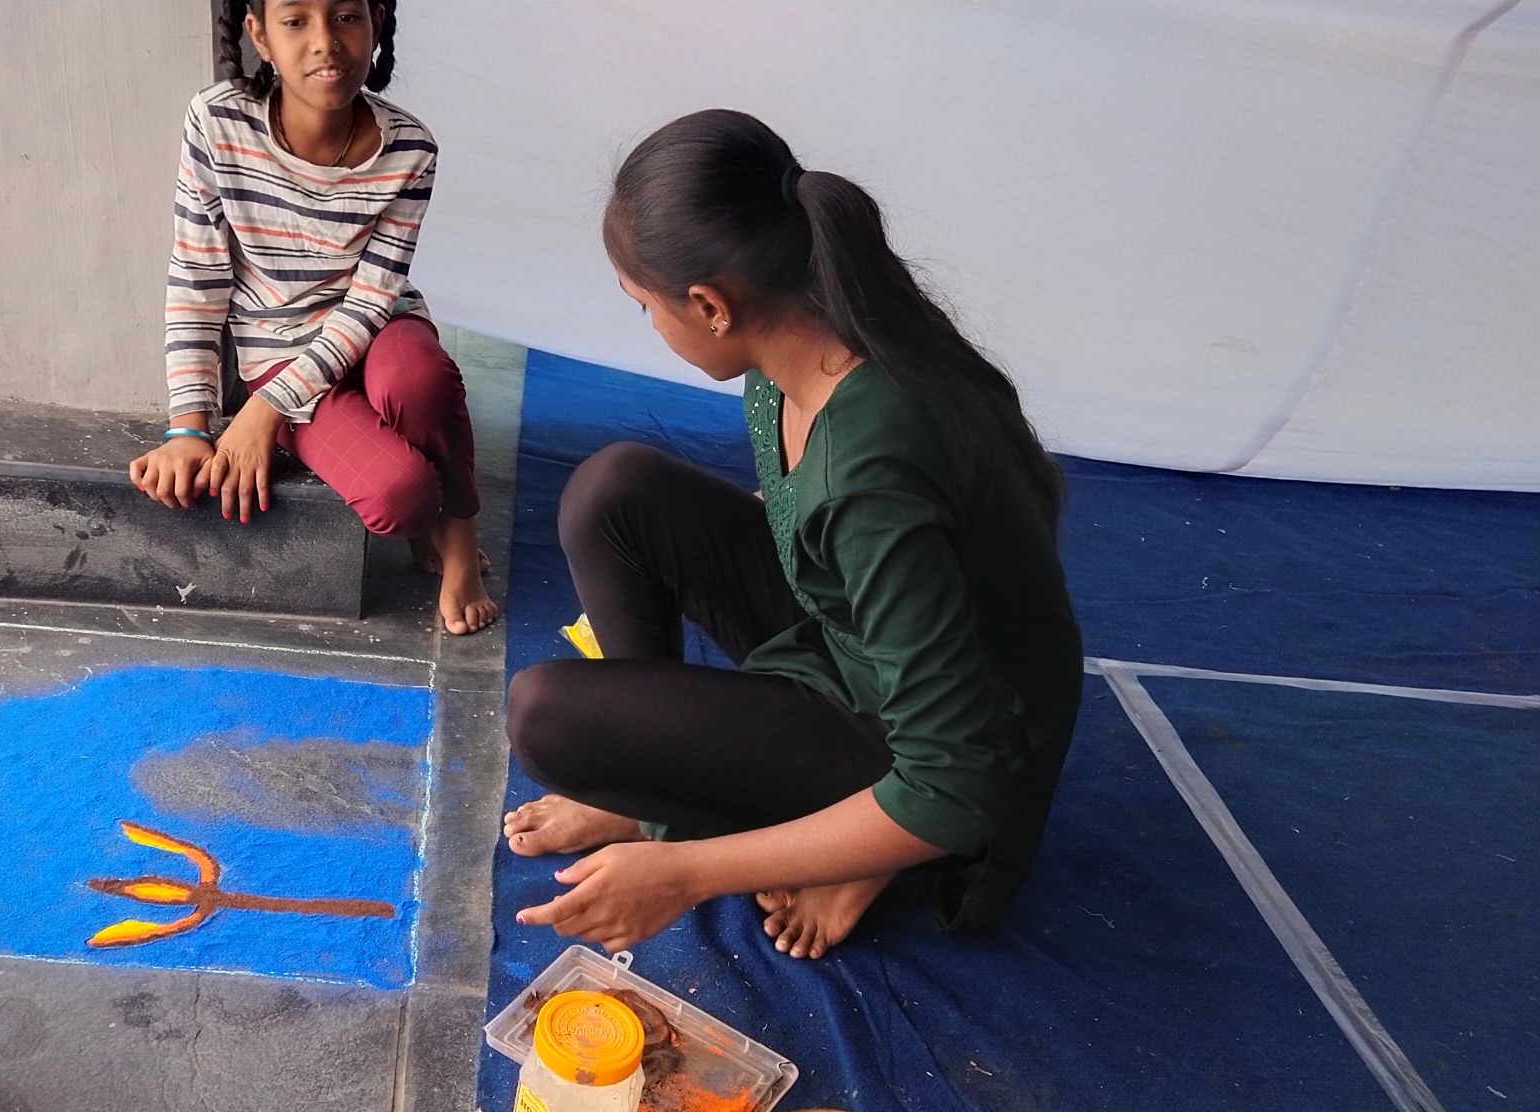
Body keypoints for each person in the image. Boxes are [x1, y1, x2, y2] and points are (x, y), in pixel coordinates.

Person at [504, 110, 1082, 958]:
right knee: (612, 491)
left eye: (645, 309)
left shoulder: (872, 462)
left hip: (946, 747)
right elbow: (834, 545)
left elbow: (960, 782)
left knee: (548, 717)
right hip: (858, 640)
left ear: (709, 305)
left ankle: (851, 842)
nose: (651, 328)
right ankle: (663, 788)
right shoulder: (804, 351)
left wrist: (688, 871)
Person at [127, 0, 497, 635]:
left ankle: (459, 537)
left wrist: (262, 413)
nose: (325, 42)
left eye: (347, 16)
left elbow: (371, 300)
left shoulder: (410, 148)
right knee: (400, 498)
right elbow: (198, 277)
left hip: (378, 329)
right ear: (259, 36)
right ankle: (424, 516)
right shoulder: (217, 123)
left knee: (420, 381)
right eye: (295, 20)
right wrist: (188, 427)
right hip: (279, 352)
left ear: (376, 24)